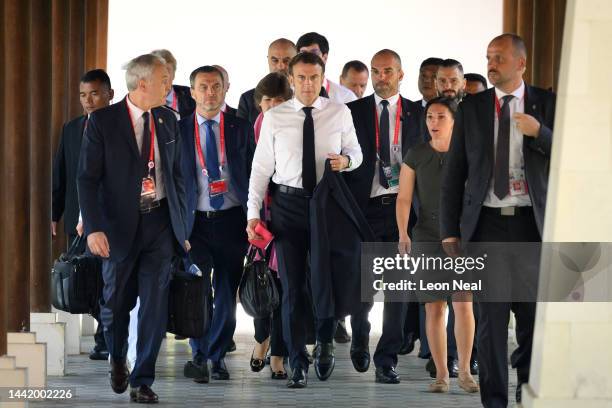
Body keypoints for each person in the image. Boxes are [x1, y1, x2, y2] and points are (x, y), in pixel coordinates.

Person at [440, 33, 556, 407]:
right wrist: (448, 232)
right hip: (486, 226)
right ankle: (494, 402)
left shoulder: (546, 103)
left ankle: (527, 392)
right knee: (489, 324)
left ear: (521, 63)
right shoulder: (472, 107)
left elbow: (570, 154)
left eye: (500, 57)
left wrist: (540, 133)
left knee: (532, 321)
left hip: (532, 228)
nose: (491, 63)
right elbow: (454, 173)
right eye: (488, 56)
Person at [246, 52, 362, 388]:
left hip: (327, 205)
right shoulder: (276, 117)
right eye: (301, 78)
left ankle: (324, 342)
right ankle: (297, 362)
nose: (308, 84)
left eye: (314, 77)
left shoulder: (339, 112)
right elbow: (260, 169)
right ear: (292, 79)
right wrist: (253, 214)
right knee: (292, 287)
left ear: (322, 78)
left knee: (326, 279)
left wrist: (347, 161)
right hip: (287, 207)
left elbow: (357, 152)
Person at [78, 53, 189, 404]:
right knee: (115, 304)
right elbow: (87, 179)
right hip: (116, 228)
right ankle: (116, 358)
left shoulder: (169, 120)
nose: (168, 86)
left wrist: (182, 227)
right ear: (143, 84)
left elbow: (176, 176)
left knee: (155, 306)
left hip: (159, 224)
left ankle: (143, 379)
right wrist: (93, 228)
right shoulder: (103, 122)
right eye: (163, 80)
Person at [344, 49, 423, 384]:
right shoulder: (352, 111)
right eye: (376, 71)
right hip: (365, 210)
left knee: (398, 289)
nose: (381, 77)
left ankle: (386, 360)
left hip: (404, 210)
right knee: (363, 286)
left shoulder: (419, 113)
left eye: (388, 71)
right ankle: (360, 333)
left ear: (401, 74)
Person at [396, 96, 479, 394]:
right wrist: (403, 233)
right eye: (430, 116)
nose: (433, 122)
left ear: (454, 120)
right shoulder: (416, 153)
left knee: (463, 304)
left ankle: (466, 371)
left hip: (461, 237)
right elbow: (404, 197)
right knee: (434, 308)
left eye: (441, 116)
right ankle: (441, 374)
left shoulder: (469, 153)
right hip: (427, 237)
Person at [179, 66, 254, 383]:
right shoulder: (178, 129)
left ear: (226, 89)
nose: (210, 93)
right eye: (203, 87)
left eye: (216, 87)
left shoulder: (240, 126)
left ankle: (217, 355)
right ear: (192, 92)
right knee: (196, 290)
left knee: (225, 290)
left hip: (232, 220)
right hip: (194, 222)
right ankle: (199, 352)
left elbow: (255, 171)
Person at [52, 68, 114, 362]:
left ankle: (105, 337)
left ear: (109, 95)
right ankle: (104, 330)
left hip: (108, 220)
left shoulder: (121, 128)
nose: (88, 100)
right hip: (76, 219)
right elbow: (61, 173)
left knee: (107, 280)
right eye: (83, 95)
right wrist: (55, 213)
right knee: (86, 279)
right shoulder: (72, 128)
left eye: (94, 93)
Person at [248, 72, 293, 380]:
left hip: (288, 215)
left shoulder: (298, 126)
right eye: (268, 100)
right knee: (260, 284)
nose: (274, 106)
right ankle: (261, 340)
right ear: (259, 103)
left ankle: (278, 353)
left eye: (280, 100)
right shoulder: (252, 129)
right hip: (258, 219)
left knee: (285, 288)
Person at [237, 38, 297, 125]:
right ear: (268, 60)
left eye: (286, 61)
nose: (281, 66)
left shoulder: (315, 94)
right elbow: (241, 136)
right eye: (275, 60)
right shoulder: (248, 99)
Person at [296, 32, 357, 103]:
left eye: (314, 54)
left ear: (324, 58)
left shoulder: (346, 97)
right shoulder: (287, 95)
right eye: (303, 54)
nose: (308, 59)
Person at [151, 49, 195, 118]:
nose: (164, 75)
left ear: (174, 74)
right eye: (158, 71)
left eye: (167, 70)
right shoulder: (141, 99)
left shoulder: (191, 96)